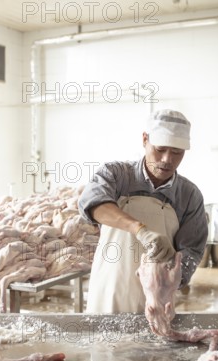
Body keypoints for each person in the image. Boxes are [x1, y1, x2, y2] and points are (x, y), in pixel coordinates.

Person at [78, 109, 208, 313]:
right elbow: (93, 203)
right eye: (161, 149)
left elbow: (192, 251)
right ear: (145, 139)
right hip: (107, 295)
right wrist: (140, 230)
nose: (167, 159)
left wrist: (171, 278)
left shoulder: (189, 196)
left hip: (157, 304)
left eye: (176, 153)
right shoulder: (117, 175)